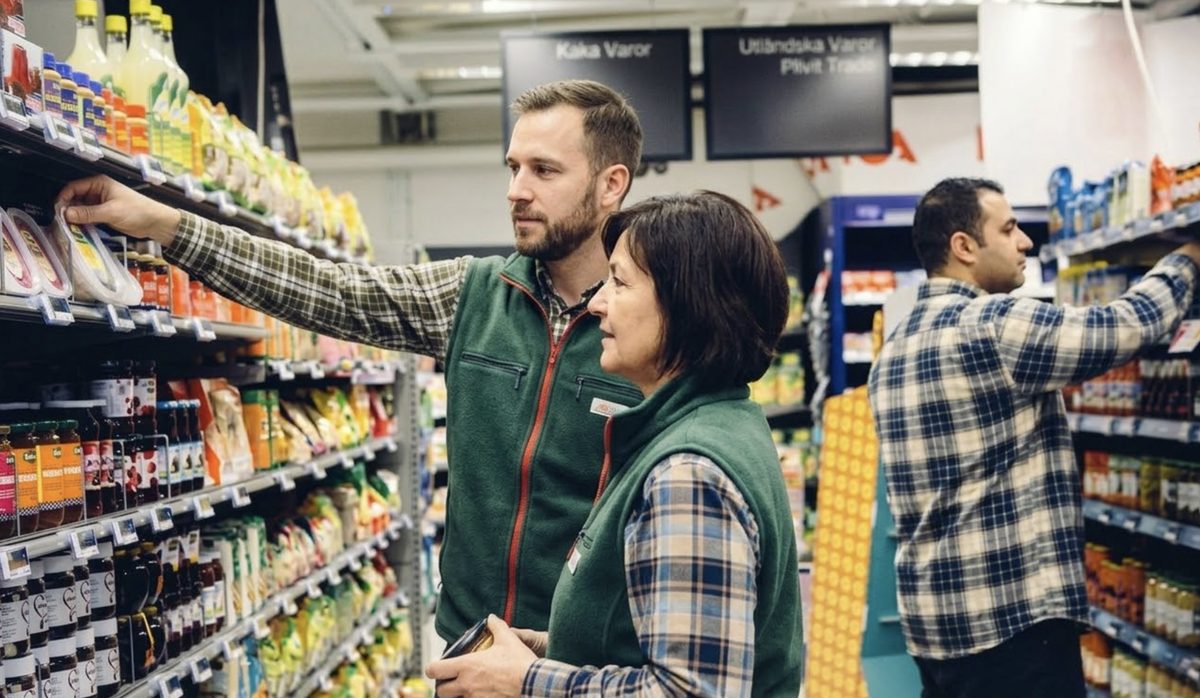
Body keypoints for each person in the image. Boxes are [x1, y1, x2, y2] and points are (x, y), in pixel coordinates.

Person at [56, 79, 647, 642]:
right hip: (474, 648)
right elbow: (328, 289)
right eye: (513, 167)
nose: (517, 189)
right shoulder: (473, 294)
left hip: (585, 660)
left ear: (610, 184)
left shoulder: (656, 326)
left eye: (544, 170)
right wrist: (163, 223)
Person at [425, 191, 804, 697]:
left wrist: (526, 681)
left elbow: (690, 691)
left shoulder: (689, 473)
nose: (598, 302)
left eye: (619, 282)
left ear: (690, 306)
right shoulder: (705, 424)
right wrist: (542, 648)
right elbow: (642, 638)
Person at [867, 177, 1200, 698]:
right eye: (1009, 228)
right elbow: (1127, 325)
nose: (1025, 241)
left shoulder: (893, 350)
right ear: (964, 247)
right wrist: (1188, 257)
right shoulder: (993, 326)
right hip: (1012, 628)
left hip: (935, 630)